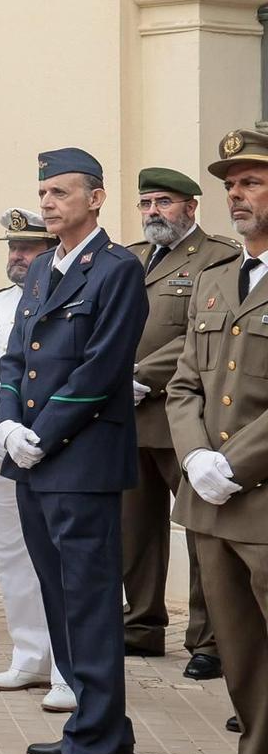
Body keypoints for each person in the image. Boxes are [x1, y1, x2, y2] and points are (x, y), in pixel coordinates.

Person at [0, 147, 146, 754]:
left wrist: (43, 433)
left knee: (88, 602)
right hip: (32, 456)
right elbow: (14, 356)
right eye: (44, 192)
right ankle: (103, 723)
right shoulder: (41, 269)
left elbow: (103, 366)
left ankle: (92, 747)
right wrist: (8, 424)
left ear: (96, 198)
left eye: (60, 192)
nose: (48, 202)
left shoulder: (117, 269)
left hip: (81, 460)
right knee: (58, 598)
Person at [169, 128, 268, 754]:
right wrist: (196, 457)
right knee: (243, 660)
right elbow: (184, 385)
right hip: (211, 504)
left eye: (252, 182)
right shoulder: (214, 280)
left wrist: (232, 462)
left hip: (260, 499)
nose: (237, 195)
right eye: (231, 185)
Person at [126, 166, 236, 679]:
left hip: (185, 417)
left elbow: (201, 334)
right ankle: (141, 626)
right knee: (135, 531)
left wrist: (141, 375)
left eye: (164, 202)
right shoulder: (131, 258)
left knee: (199, 533)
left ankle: (208, 641)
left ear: (191, 207)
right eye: (147, 203)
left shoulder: (218, 257)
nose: (154, 212)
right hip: (127, 416)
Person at [0, 208, 72, 713]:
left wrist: (37, 437)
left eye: (27, 248)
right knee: (11, 558)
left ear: (49, 250)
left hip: (50, 452)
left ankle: (68, 669)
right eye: (12, 247)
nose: (17, 256)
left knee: (58, 562)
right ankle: (29, 655)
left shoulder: (68, 299)